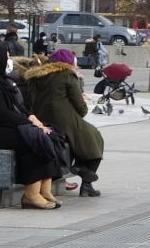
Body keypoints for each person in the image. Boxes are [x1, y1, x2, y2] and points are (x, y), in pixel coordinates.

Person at [0, 44, 61, 210]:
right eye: (5, 58)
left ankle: (44, 189)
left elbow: (15, 108)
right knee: (28, 138)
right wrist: (28, 123)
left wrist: (31, 118)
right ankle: (31, 194)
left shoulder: (0, 80)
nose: (8, 61)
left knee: (46, 134)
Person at [25, 48, 104, 197]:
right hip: (63, 120)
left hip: (40, 119)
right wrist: (81, 112)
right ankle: (85, 178)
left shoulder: (34, 76)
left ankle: (82, 170)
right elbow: (80, 106)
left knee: (82, 136)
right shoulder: (66, 74)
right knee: (94, 136)